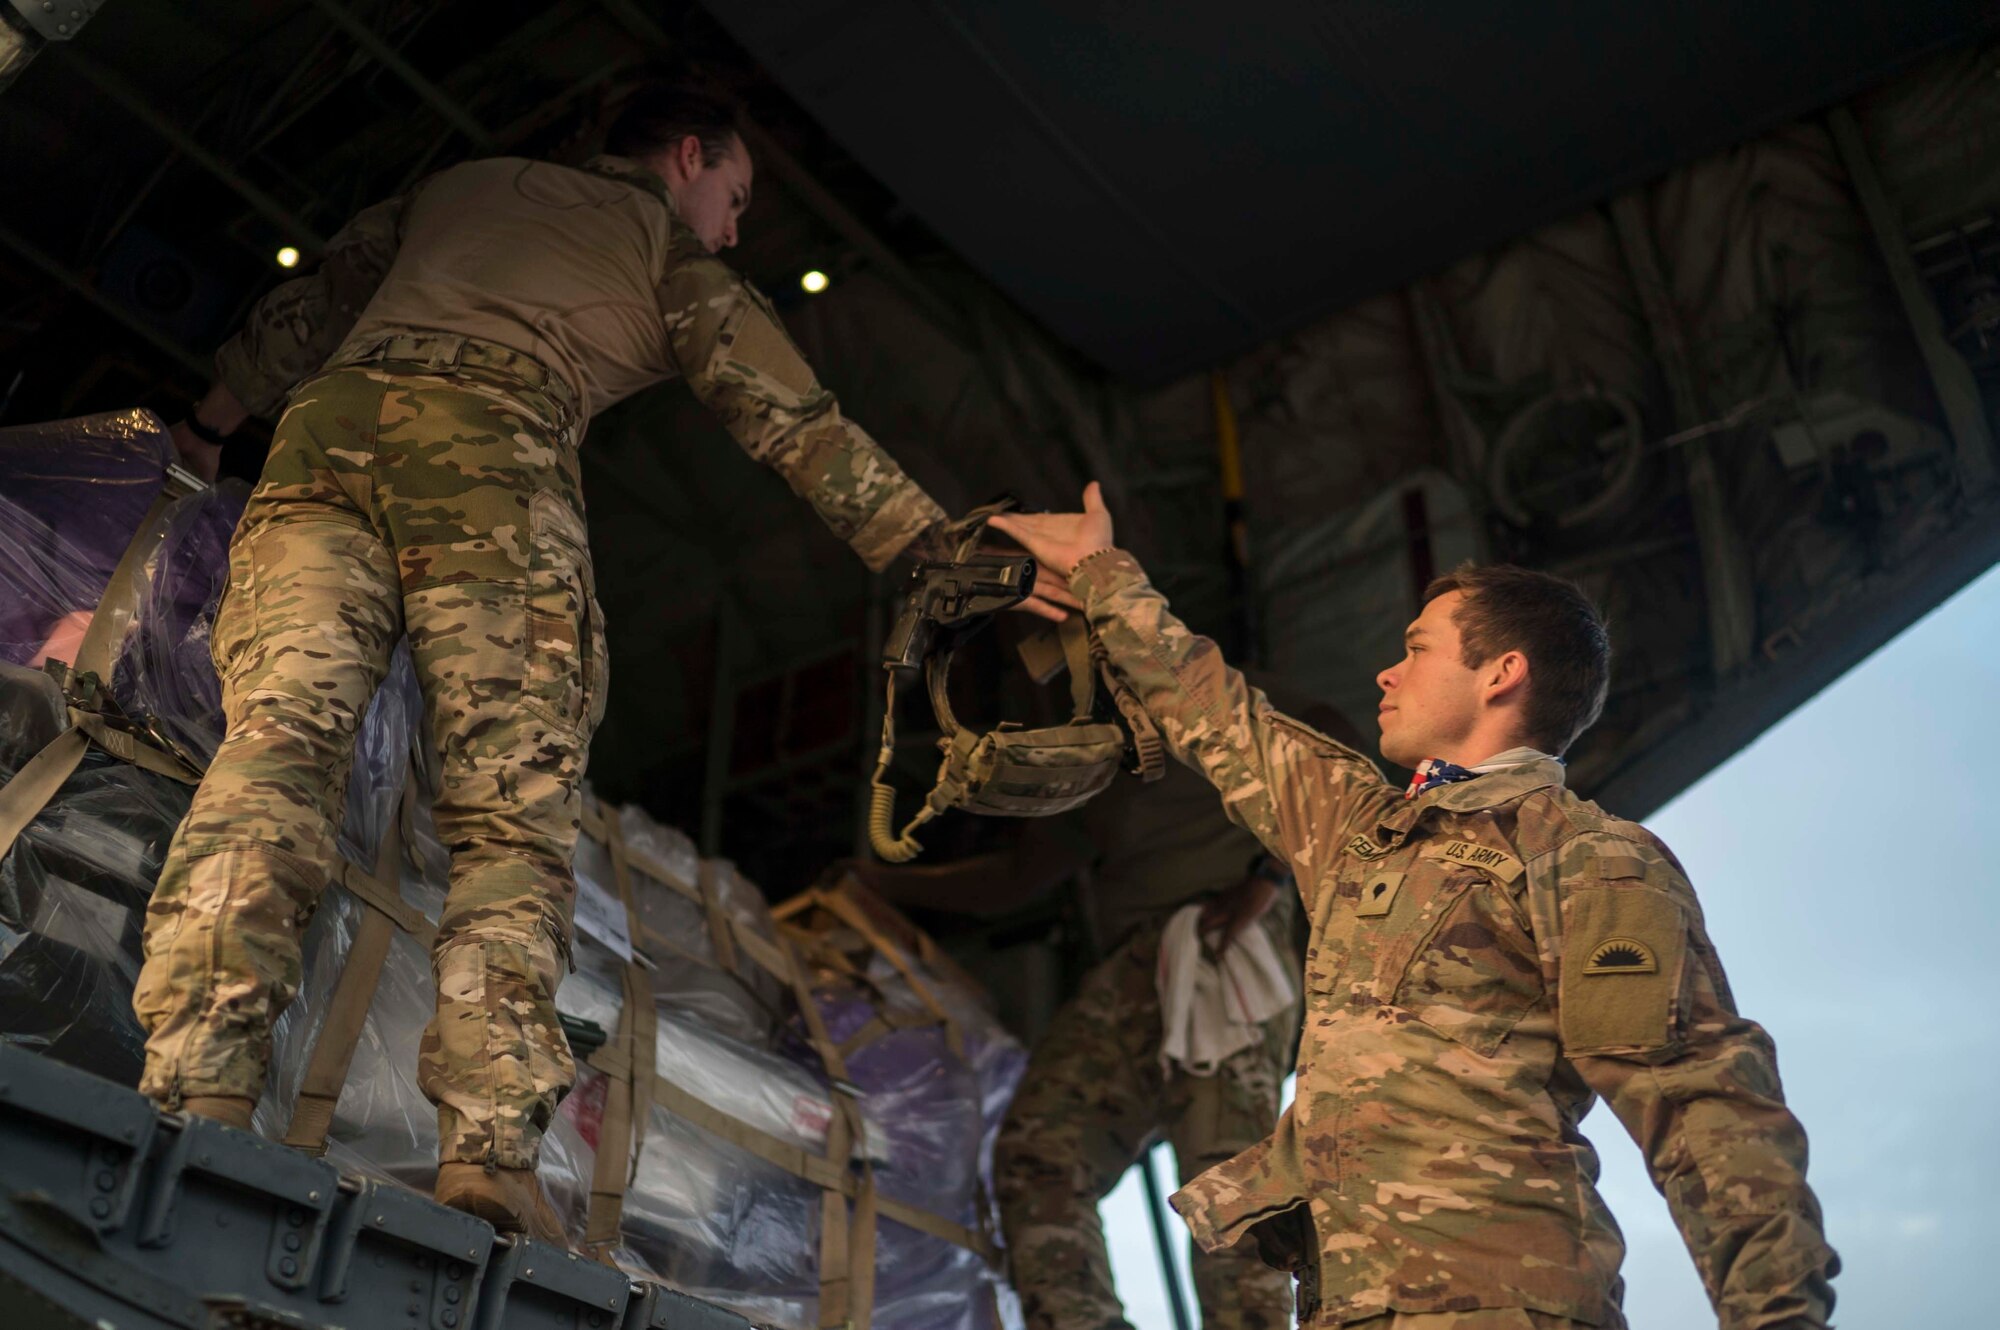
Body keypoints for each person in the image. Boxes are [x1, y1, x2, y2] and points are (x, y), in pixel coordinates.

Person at [134, 83, 1062, 1241]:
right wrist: (959, 567)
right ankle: (485, 1150)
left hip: (322, 440)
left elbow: (307, 313)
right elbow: (799, 425)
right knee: (508, 819)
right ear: (687, 158)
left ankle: (199, 1073)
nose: (730, 229)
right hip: (489, 453)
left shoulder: (455, 189)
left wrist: (210, 425)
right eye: (731, 197)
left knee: (275, 751)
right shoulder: (664, 250)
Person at [989, 484, 1839, 1329]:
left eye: (1417, 648)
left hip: (1495, 1308)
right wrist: (1102, 572)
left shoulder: (1589, 856)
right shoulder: (1362, 829)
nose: (1386, 671)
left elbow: (1701, 1107)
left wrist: (1777, 1319)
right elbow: (1212, 711)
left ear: (1503, 674)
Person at [864, 750, 1317, 1330]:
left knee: (1226, 1182)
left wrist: (1271, 877)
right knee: (1038, 1151)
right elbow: (1012, 879)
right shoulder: (1092, 756)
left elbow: (1340, 786)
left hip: (1223, 943)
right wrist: (879, 880)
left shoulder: (1234, 706)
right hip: (1128, 966)